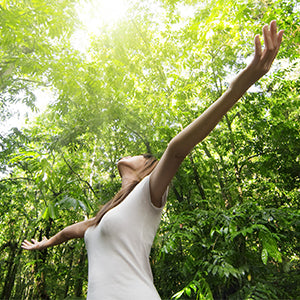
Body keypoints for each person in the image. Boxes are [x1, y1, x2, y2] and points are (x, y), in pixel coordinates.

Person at [22, 21, 284, 299]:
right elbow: (67, 232)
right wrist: (44, 243)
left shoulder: (148, 193)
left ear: (147, 169)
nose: (133, 154)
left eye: (142, 156)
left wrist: (238, 86)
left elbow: (176, 150)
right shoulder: (101, 218)